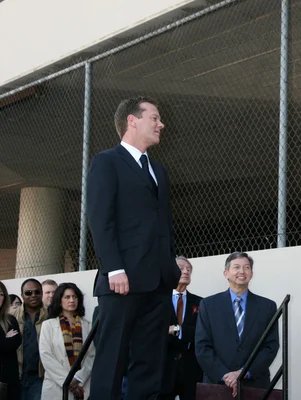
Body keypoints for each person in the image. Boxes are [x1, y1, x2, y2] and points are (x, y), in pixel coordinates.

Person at [86, 96, 181, 400]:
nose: (160, 124)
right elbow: (101, 218)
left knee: (150, 364)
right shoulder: (107, 161)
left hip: (158, 283)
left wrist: (170, 267)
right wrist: (114, 266)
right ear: (132, 120)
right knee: (111, 361)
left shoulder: (159, 170)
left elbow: (163, 225)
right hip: (122, 280)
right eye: (154, 117)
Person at [195, 252, 279, 397]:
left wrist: (243, 372)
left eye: (246, 267)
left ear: (251, 273)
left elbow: (270, 347)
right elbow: (202, 346)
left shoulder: (267, 306)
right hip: (217, 383)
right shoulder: (208, 305)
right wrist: (225, 375)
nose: (242, 271)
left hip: (255, 383)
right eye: (236, 267)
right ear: (226, 273)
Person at [39, 283, 95, 400]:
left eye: (75, 297)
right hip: (56, 386)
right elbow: (46, 356)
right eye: (67, 297)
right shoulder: (48, 325)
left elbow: (91, 355)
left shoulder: (88, 325)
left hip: (82, 384)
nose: (71, 300)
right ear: (59, 301)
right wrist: (68, 381)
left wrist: (78, 379)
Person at [161, 256, 204, 400]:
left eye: (189, 269)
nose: (185, 271)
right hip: (162, 369)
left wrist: (176, 329)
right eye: (181, 268)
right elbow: (155, 332)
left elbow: (201, 333)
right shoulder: (158, 302)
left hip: (191, 370)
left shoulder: (201, 303)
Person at [13, 278, 47, 400]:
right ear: (22, 295)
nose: (33, 295)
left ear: (42, 293)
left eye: (37, 292)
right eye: (28, 293)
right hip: (16, 375)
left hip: (40, 377)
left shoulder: (50, 316)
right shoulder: (12, 317)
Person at [0, 281, 22, 400]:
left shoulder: (10, 320)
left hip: (8, 379)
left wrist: (4, 341)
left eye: (1, 294)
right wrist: (4, 338)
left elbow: (15, 343)